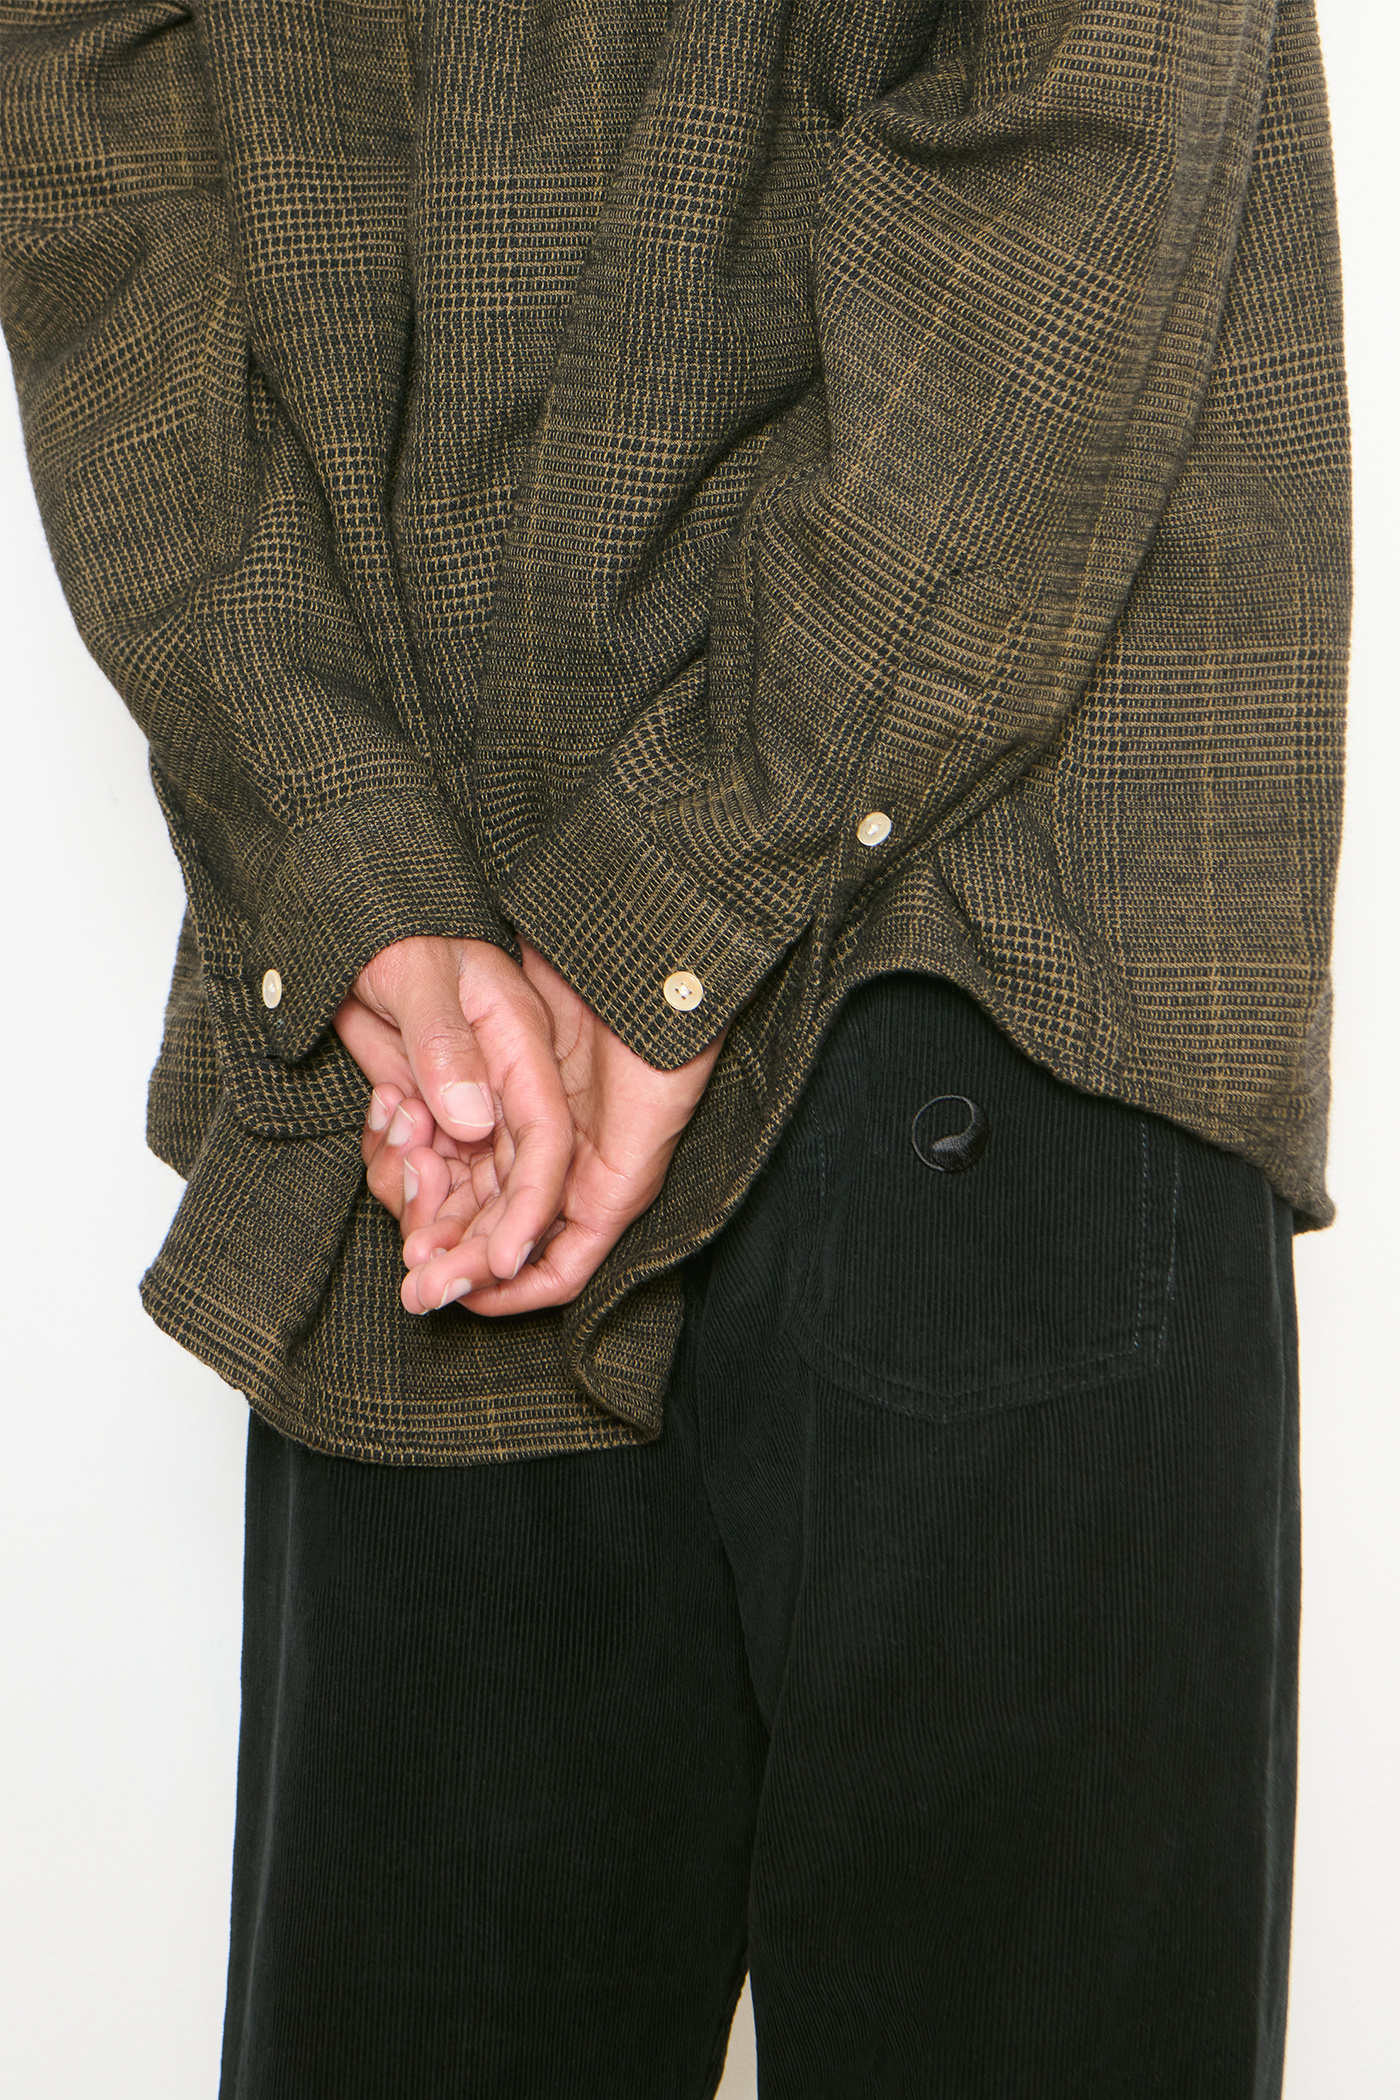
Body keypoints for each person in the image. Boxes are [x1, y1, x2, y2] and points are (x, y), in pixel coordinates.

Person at [0, 0, 1348, 2092]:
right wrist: (442, 887)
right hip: (752, 998)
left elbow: (89, 133)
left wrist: (376, 855)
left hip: (636, 1005)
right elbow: (1089, 101)